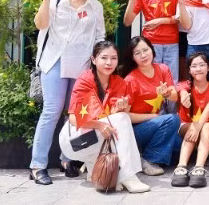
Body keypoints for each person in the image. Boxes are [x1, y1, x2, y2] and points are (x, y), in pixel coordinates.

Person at [30, 0, 105, 185]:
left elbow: (100, 36)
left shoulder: (95, 6)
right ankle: (37, 165)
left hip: (81, 65)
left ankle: (66, 159)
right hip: (54, 61)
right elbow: (40, 24)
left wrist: (99, 62)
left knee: (75, 114)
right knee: (51, 111)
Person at [57, 41, 150, 193]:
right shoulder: (86, 81)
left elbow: (114, 118)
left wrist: (122, 106)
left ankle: (96, 170)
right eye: (104, 58)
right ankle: (128, 176)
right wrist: (100, 125)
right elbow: (74, 119)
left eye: (114, 58)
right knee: (122, 119)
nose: (109, 62)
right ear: (94, 59)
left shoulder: (119, 83)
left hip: (96, 140)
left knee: (122, 117)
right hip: (74, 141)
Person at [121, 36, 180, 176]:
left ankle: (146, 154)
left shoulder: (163, 69)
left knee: (179, 146)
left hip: (158, 124)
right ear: (132, 58)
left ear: (152, 50)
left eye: (145, 50)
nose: (143, 55)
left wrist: (166, 93)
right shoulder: (130, 79)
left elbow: (174, 96)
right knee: (172, 119)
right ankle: (148, 159)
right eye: (137, 53)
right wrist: (152, 116)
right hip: (137, 130)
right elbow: (125, 116)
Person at [123, 0, 187, 83]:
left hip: (172, 43)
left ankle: (169, 105)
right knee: (152, 81)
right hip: (150, 44)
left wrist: (160, 21)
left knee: (171, 82)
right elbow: (127, 21)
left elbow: (180, 18)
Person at [171, 51, 209, 187]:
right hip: (184, 127)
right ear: (189, 69)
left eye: (202, 65)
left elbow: (208, 110)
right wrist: (183, 95)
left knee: (206, 125)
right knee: (194, 126)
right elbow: (180, 90)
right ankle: (181, 166)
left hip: (205, 130)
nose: (198, 69)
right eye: (194, 66)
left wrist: (197, 126)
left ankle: (199, 168)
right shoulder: (184, 85)